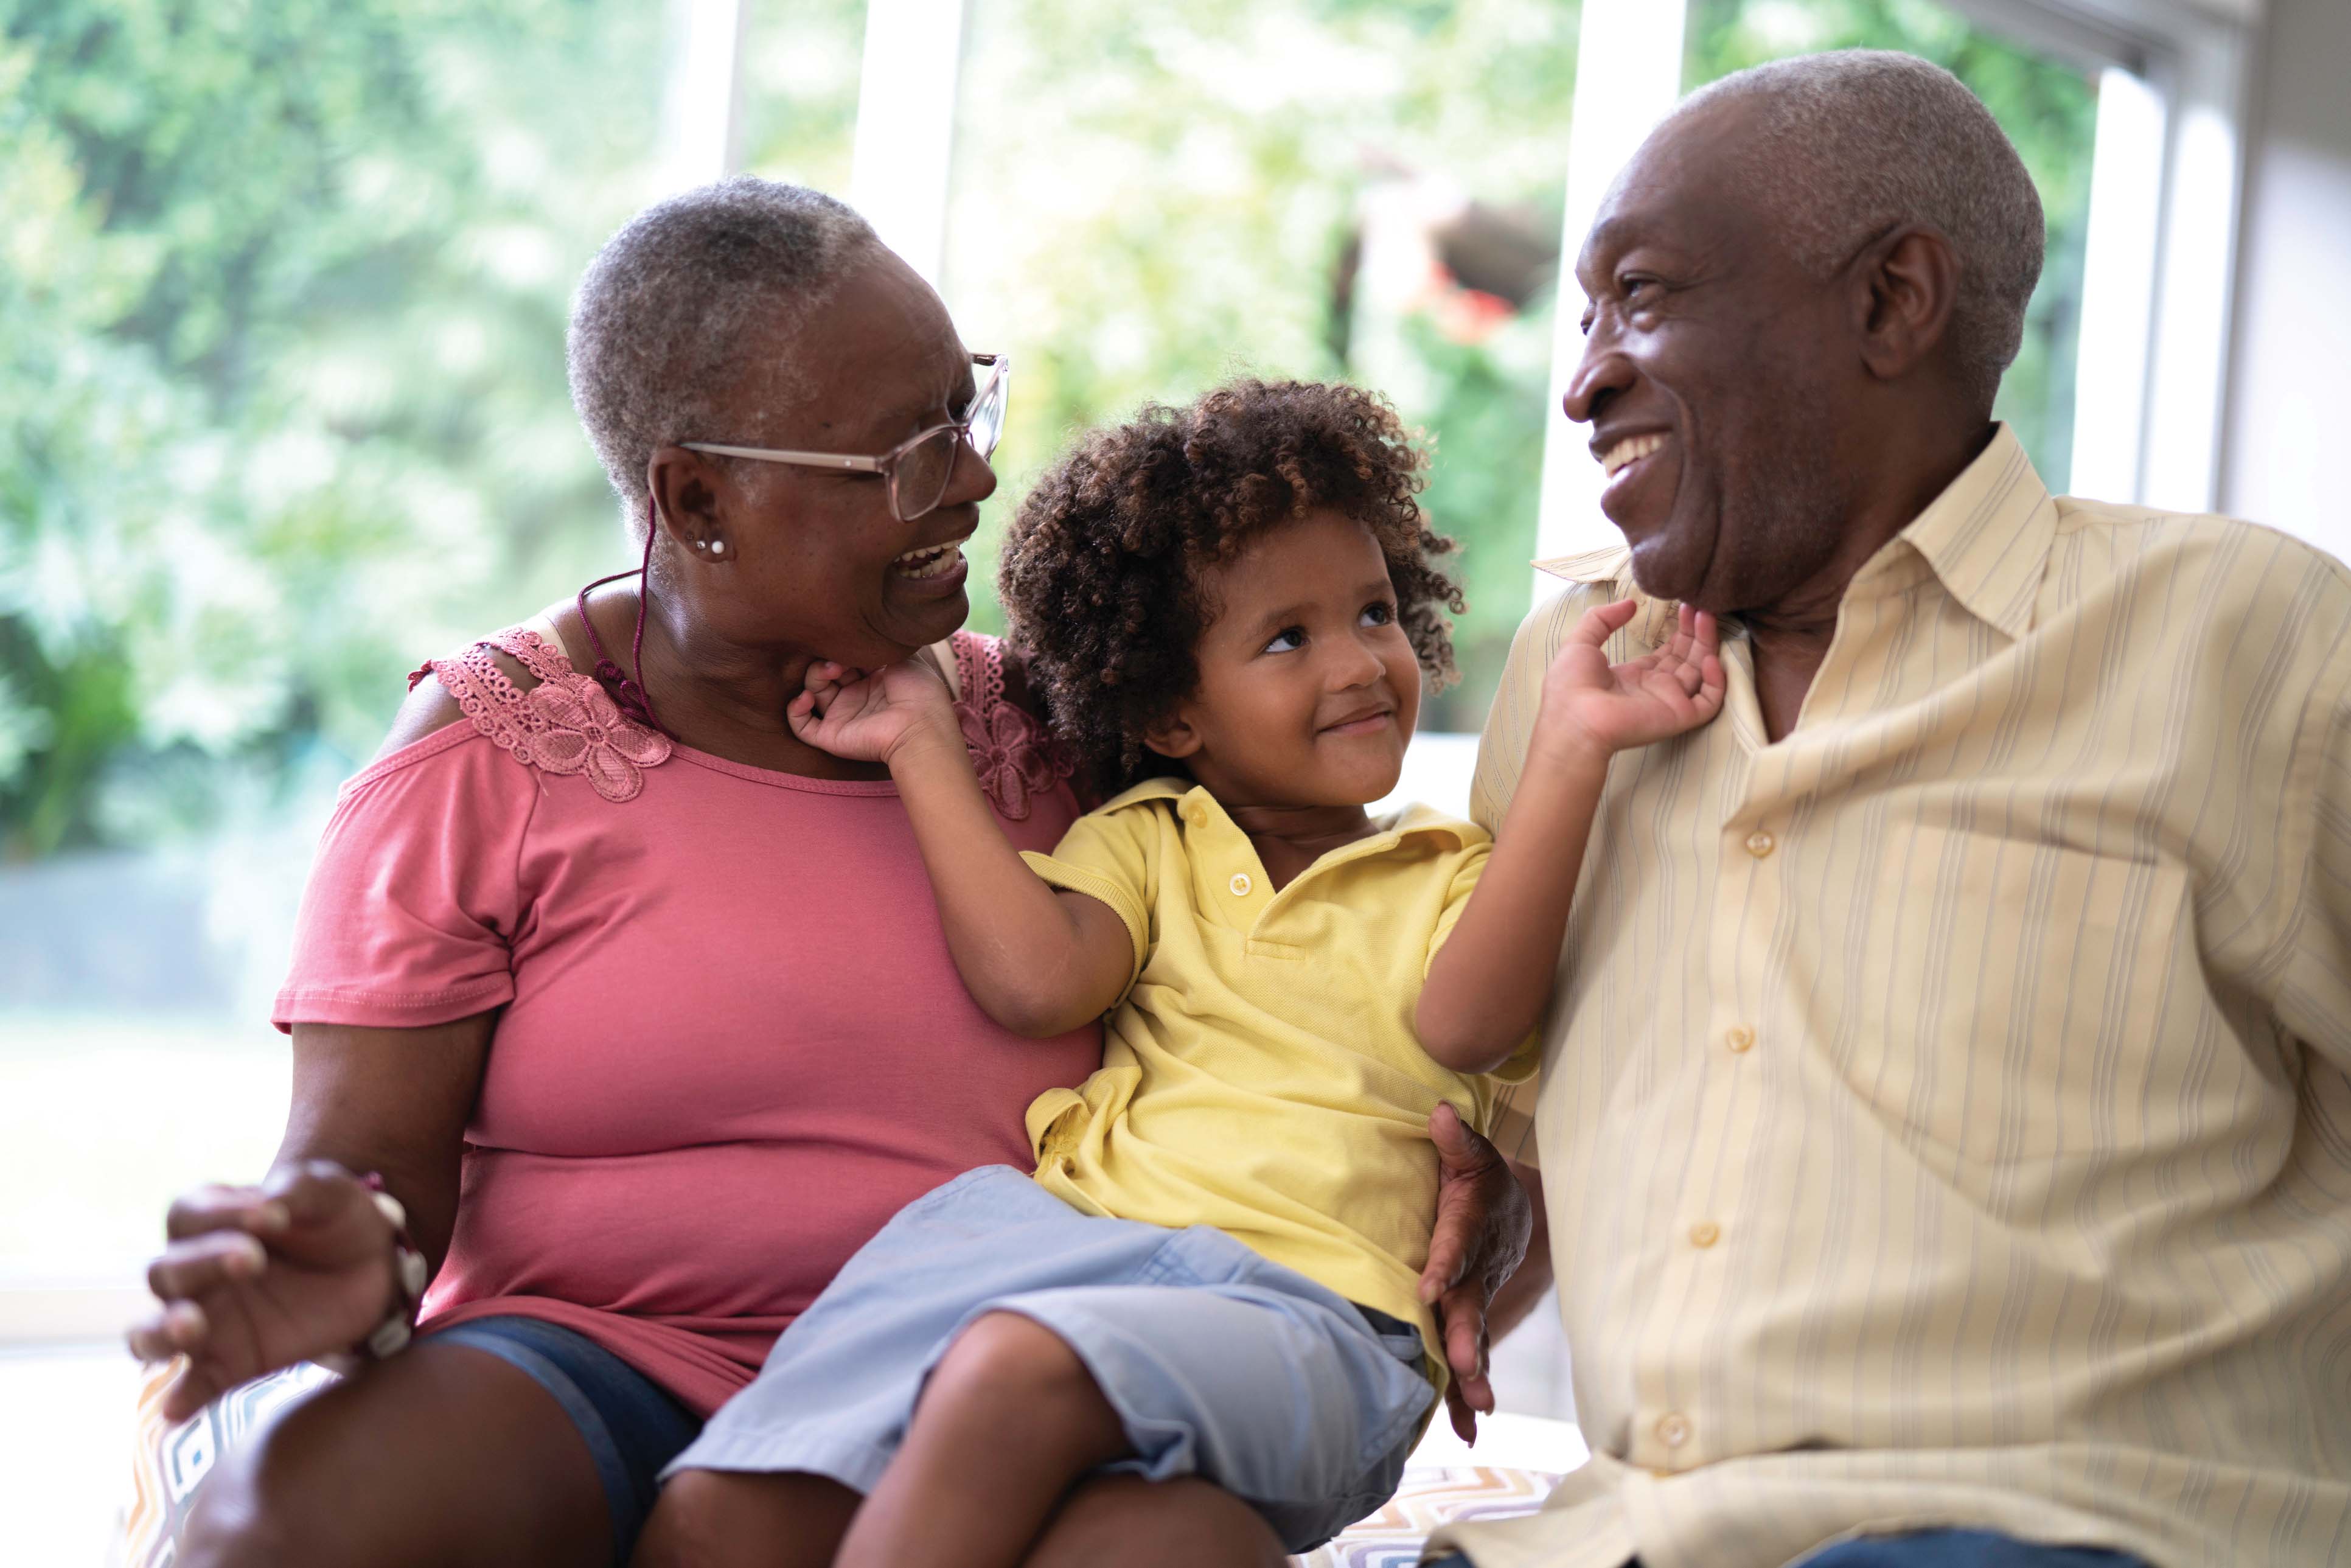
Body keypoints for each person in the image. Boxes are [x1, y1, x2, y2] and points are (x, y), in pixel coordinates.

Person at [122, 180, 1534, 1568]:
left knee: (1174, 1545)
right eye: (912, 455)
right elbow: (358, 1182)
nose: (978, 477)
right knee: (287, 1525)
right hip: (601, 1365)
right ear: (699, 497)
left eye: (964, 409)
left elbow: (1339, 954)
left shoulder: (1065, 727)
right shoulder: (481, 760)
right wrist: (335, 1259)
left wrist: (1488, 1183)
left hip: (1023, 1364)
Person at [1423, 49, 2351, 1568]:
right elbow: (1526, 1127)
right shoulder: (1572, 675)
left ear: (1891, 302)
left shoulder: (2258, 643)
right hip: (1613, 1539)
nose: (1583, 376)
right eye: (1583, 316)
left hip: (2065, 1534)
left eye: (1642, 297)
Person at [633, 380, 1723, 1567]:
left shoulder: (1445, 875)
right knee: (732, 1513)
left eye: (1374, 611)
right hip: (1062, 1254)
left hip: (1311, 1315)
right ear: (1169, 714)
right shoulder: (1150, 840)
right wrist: (919, 746)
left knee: (1011, 1369)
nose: (1361, 661)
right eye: (1288, 638)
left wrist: (1571, 746)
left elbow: (1469, 1023)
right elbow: (1039, 980)